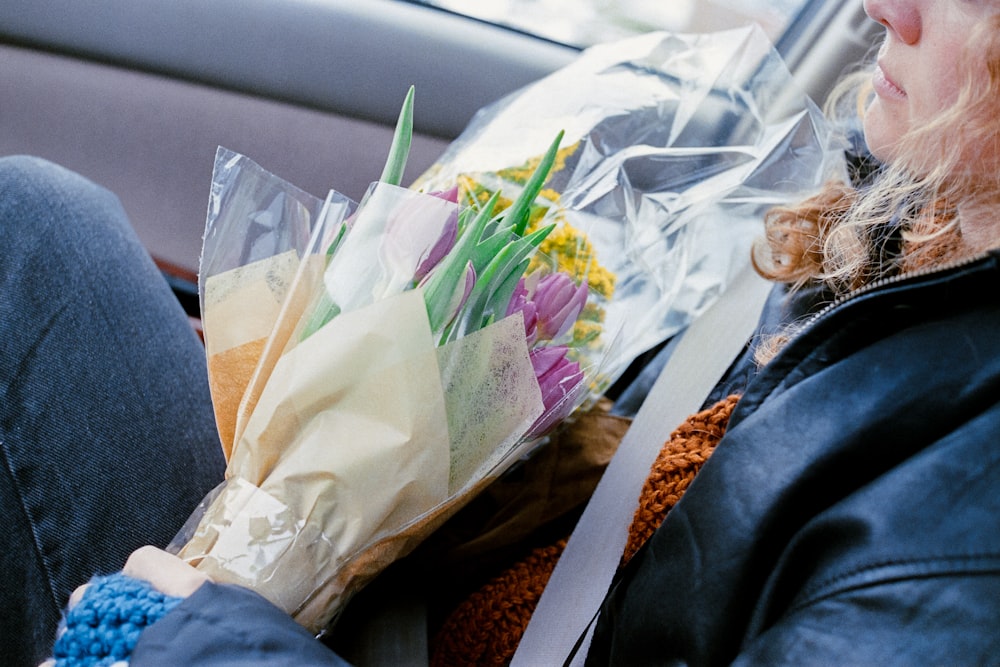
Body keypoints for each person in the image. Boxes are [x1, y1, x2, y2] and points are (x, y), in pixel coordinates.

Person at [3, 0, 998, 663]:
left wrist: (204, 640)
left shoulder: (967, 540)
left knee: (32, 245)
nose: (882, 7)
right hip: (408, 609)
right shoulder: (900, 233)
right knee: (45, 237)